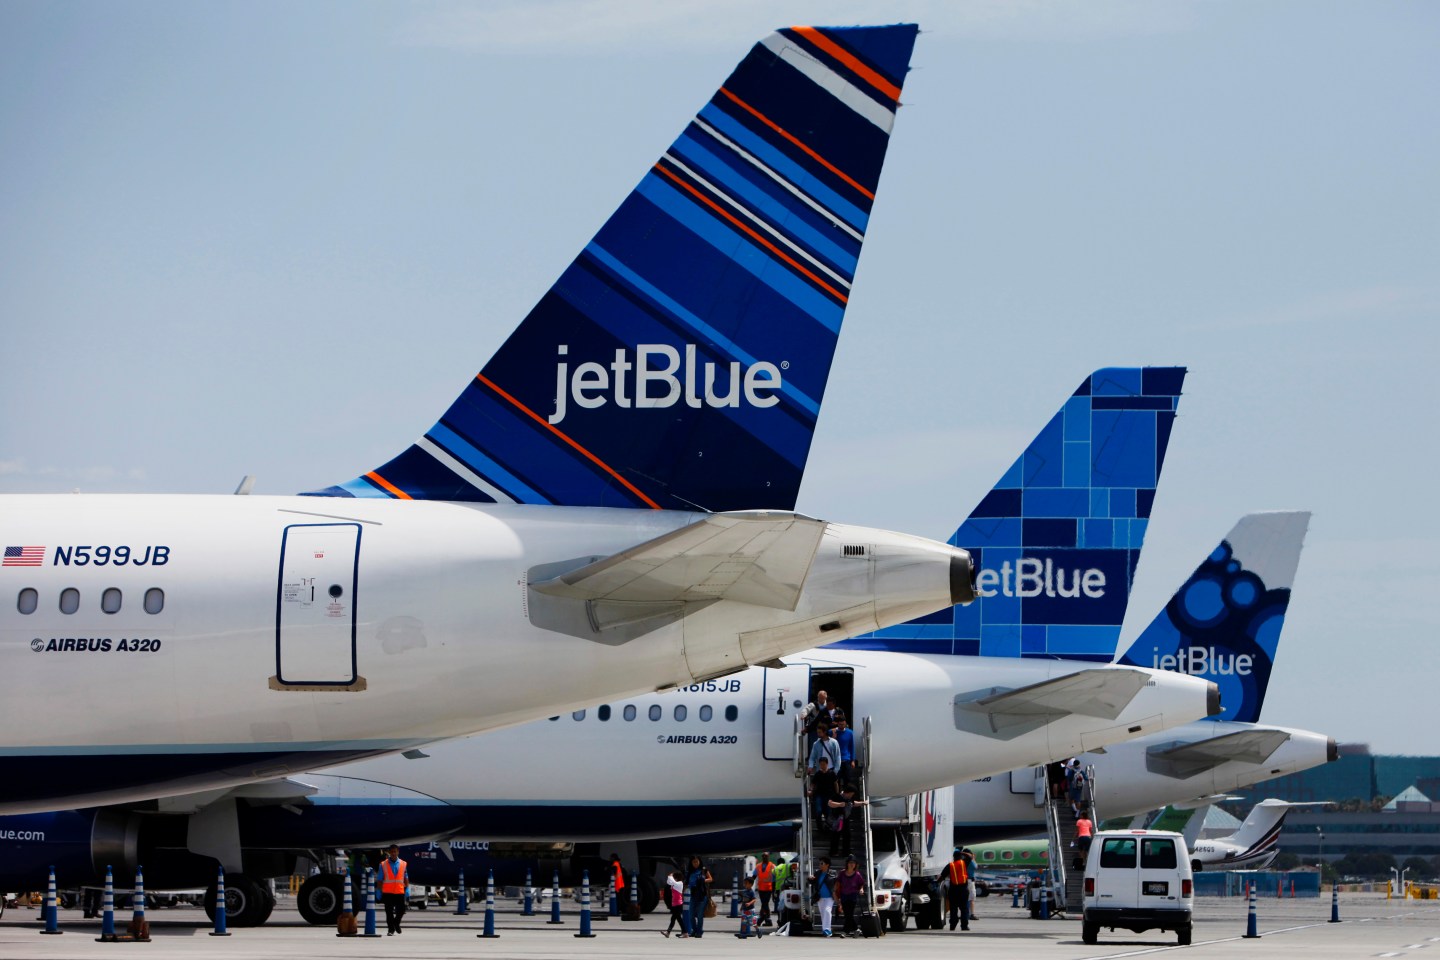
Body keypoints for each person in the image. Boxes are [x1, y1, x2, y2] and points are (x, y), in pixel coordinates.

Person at [825, 781, 869, 858]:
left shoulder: (849, 799)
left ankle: (846, 852)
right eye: (851, 794)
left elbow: (853, 803)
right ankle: (833, 852)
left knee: (847, 835)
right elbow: (829, 803)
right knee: (836, 836)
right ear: (847, 792)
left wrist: (863, 803)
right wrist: (839, 804)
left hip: (845, 819)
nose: (851, 796)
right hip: (837, 819)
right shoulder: (838, 796)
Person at [378, 844, 409, 936]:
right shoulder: (383, 864)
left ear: (398, 852)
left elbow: (405, 877)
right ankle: (391, 929)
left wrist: (407, 889)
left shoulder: (403, 864)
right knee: (389, 912)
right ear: (389, 853)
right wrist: (379, 891)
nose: (393, 853)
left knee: (402, 910)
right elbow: (380, 879)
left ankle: (396, 923)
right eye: (392, 852)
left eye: (395, 851)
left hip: (399, 891)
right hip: (388, 892)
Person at [936, 847, 970, 931]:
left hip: (953, 890)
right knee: (964, 908)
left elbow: (942, 877)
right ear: (961, 857)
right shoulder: (964, 863)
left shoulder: (950, 865)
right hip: (963, 890)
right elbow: (970, 857)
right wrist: (963, 853)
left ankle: (953, 925)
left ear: (953, 857)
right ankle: (964, 926)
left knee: (953, 909)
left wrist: (936, 883)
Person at [835, 855, 866, 937]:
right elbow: (838, 883)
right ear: (847, 864)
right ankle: (856, 929)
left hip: (852, 896)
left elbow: (861, 884)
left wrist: (861, 889)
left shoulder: (857, 874)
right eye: (850, 863)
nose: (852, 864)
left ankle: (845, 931)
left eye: (854, 863)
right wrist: (836, 893)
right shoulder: (842, 873)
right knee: (847, 914)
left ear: (856, 865)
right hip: (844, 895)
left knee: (849, 914)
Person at [685, 855, 712, 938]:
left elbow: (710, 879)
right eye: (693, 862)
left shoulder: (703, 870)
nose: (695, 863)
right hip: (693, 895)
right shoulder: (690, 872)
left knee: (700, 915)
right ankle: (695, 930)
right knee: (691, 915)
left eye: (697, 861)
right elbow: (686, 884)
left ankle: (699, 931)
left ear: (699, 861)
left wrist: (703, 880)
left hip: (702, 895)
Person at [810, 857, 835, 937]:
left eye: (822, 863)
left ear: (827, 865)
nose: (820, 865)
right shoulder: (817, 873)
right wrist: (809, 878)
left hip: (829, 897)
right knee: (823, 913)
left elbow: (836, 882)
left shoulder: (832, 873)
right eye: (819, 863)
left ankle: (827, 930)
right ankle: (825, 930)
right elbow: (812, 882)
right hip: (820, 897)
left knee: (827, 911)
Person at [808, 755, 838, 821]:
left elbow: (835, 784)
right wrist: (810, 790)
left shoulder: (832, 773)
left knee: (828, 811)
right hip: (819, 795)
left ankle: (828, 826)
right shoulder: (818, 774)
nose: (822, 766)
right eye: (821, 764)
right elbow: (813, 783)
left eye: (823, 764)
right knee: (818, 811)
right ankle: (820, 826)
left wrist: (836, 794)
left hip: (829, 795)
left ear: (827, 764)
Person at [832, 712, 856, 782]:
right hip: (836, 760)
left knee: (847, 779)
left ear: (845, 723)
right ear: (837, 724)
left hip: (846, 759)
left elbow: (852, 746)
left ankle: (846, 792)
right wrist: (833, 737)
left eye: (843, 724)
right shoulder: (833, 731)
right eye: (840, 724)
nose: (842, 726)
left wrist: (853, 760)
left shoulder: (850, 733)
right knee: (836, 780)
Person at [662, 869, 687, 938]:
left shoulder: (680, 884)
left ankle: (684, 933)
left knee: (678, 919)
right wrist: (670, 876)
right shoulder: (675, 884)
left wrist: (670, 876)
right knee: (675, 919)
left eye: (675, 877)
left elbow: (671, 881)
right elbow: (669, 882)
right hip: (675, 904)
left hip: (678, 904)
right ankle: (668, 932)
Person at [754, 852, 776, 926]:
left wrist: (774, 889)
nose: (764, 857)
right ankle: (766, 919)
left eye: (766, 856)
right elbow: (754, 875)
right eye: (763, 856)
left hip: (769, 888)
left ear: (768, 857)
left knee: (765, 904)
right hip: (761, 888)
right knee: (764, 904)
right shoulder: (758, 866)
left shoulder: (772, 866)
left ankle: (763, 918)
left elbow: (775, 878)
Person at [963, 848, 978, 921]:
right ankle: (971, 914)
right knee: (971, 898)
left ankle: (965, 913)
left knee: (965, 898)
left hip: (965, 880)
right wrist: (973, 858)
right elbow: (976, 867)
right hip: (970, 881)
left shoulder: (963, 861)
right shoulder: (970, 861)